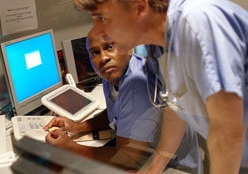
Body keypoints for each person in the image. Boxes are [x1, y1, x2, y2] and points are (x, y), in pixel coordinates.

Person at [72, 0, 248, 173]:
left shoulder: (198, 22)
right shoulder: (157, 47)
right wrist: (154, 167)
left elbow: (228, 132)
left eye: (102, 18)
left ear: (139, 8)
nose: (97, 31)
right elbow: (177, 106)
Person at [44, 29, 202, 173]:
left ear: (129, 49)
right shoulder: (113, 73)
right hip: (144, 156)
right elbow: (116, 114)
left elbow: (127, 159)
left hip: (174, 167)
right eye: (95, 52)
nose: (103, 58)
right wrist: (79, 126)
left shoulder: (136, 86)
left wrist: (70, 147)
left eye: (110, 47)